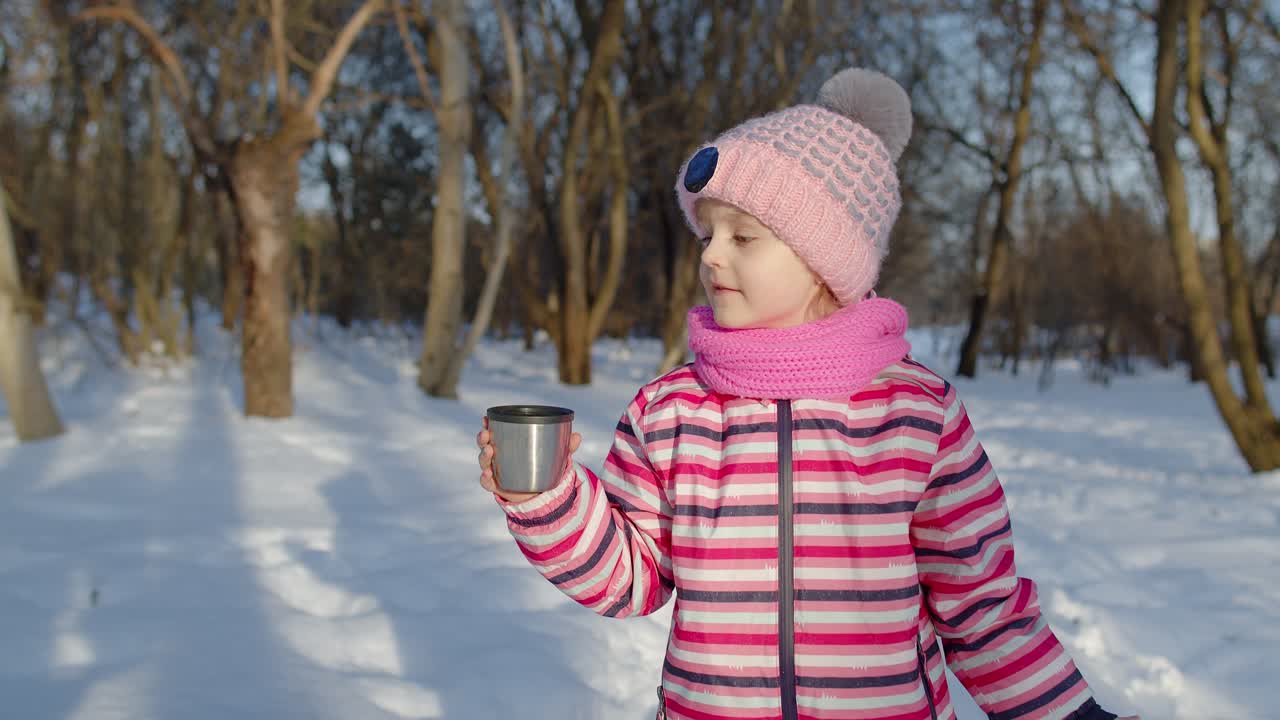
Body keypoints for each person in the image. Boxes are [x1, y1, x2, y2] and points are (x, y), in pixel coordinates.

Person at [475, 68, 1140, 720]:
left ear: (825, 260)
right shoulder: (671, 412)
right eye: (708, 235)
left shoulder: (915, 415)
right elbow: (631, 575)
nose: (710, 256)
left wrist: (1070, 715)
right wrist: (549, 500)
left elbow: (981, 606)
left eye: (743, 236)